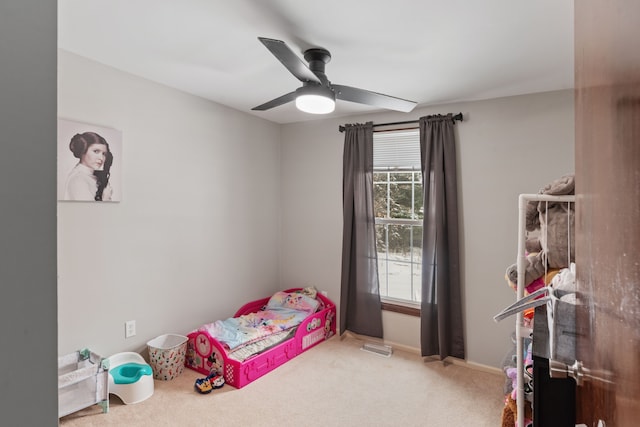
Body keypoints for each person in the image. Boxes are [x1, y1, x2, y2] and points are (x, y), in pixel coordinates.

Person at [63, 132, 113, 201]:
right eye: (96, 151)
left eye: (104, 154)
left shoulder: (92, 176)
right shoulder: (78, 179)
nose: (101, 158)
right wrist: (105, 198)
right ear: (83, 150)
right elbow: (88, 210)